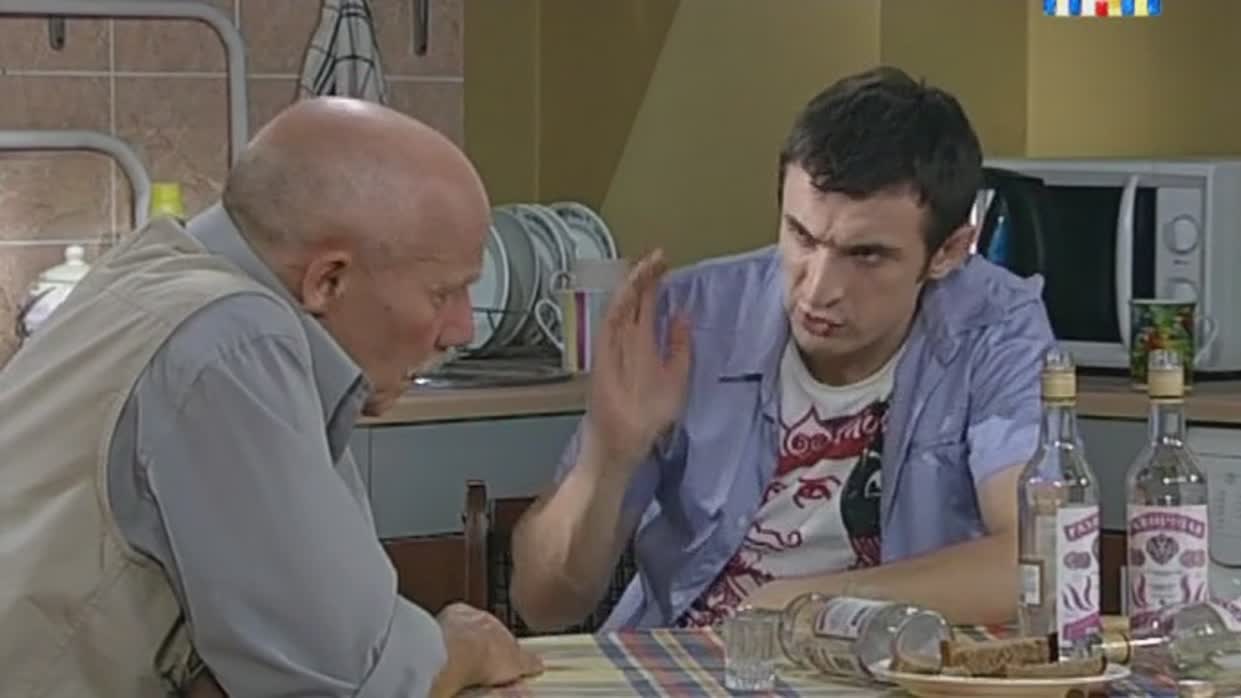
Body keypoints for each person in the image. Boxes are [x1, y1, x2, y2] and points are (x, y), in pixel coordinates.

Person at [0, 98, 541, 697]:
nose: (462, 330)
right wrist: (459, 647)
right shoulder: (232, 341)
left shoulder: (156, 272)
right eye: (443, 294)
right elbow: (348, 683)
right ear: (327, 280)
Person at [510, 66, 1055, 632]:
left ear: (949, 252)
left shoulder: (996, 329)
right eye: (801, 236)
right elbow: (543, 605)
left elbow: (1038, 563)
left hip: (887, 661)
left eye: (865, 255)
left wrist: (817, 602)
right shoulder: (690, 320)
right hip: (686, 656)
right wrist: (609, 454)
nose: (818, 290)